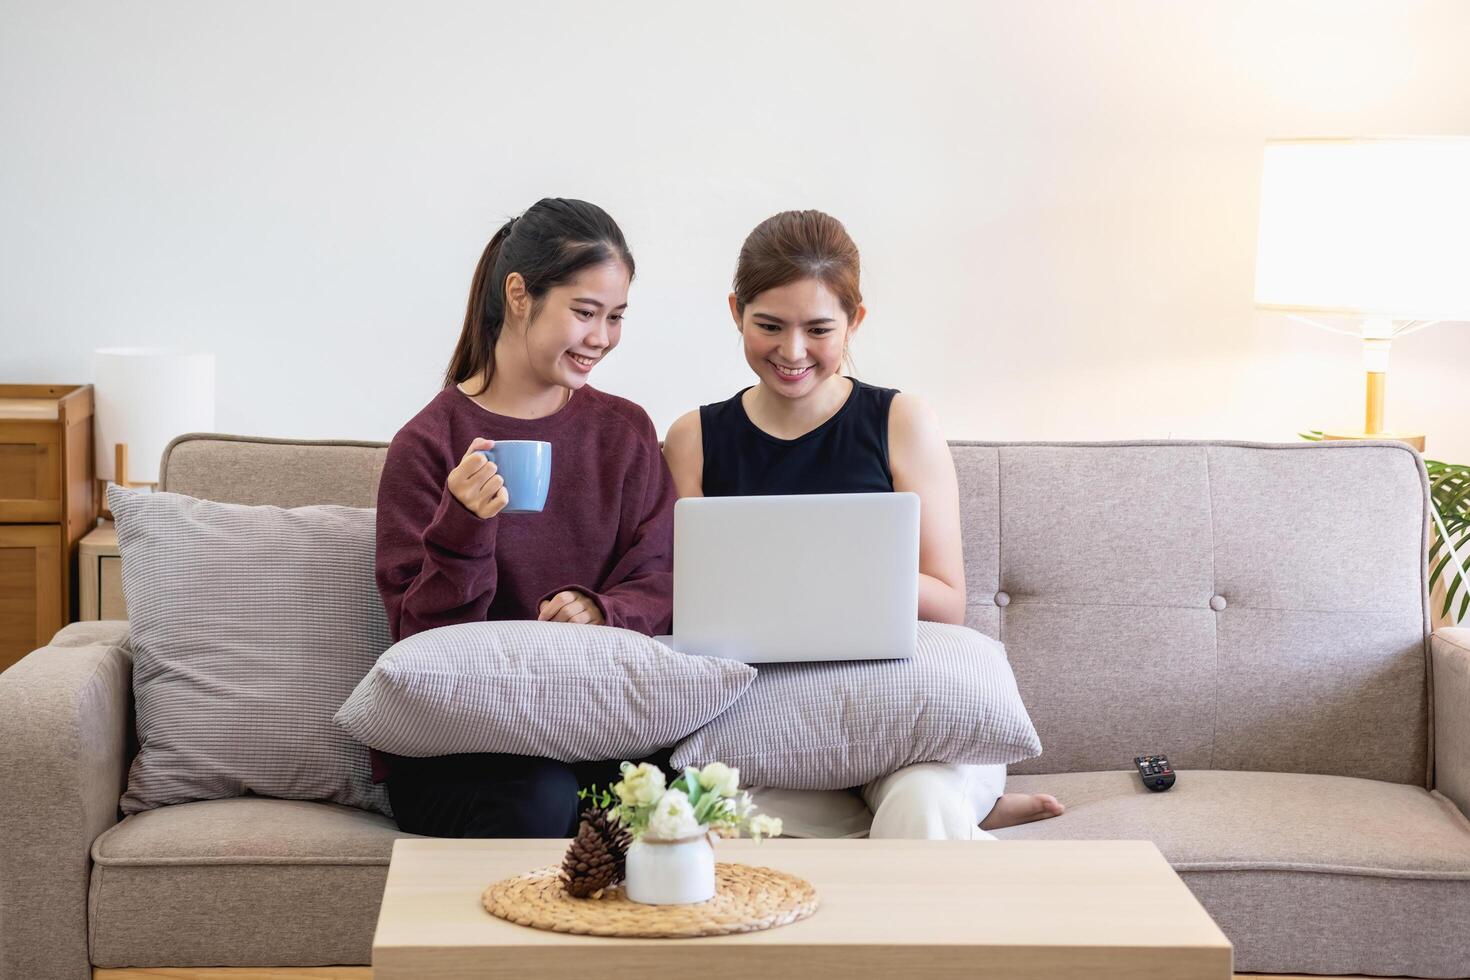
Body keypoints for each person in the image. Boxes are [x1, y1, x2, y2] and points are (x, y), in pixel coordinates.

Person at [663, 209, 1064, 839]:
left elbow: (947, 601)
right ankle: (974, 814)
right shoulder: (694, 438)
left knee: (922, 805)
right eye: (768, 325)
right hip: (773, 725)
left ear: (856, 320)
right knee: (706, 814)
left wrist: (819, 582)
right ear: (735, 311)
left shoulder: (900, 421)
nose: (792, 352)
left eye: (819, 329)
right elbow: (678, 599)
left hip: (902, 716)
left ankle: (955, 809)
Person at [374, 198, 675, 838]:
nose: (601, 337)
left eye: (616, 317)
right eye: (585, 312)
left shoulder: (624, 433)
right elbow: (419, 643)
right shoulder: (428, 446)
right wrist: (462, 527)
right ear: (519, 294)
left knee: (684, 793)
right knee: (541, 796)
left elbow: (664, 576)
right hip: (463, 750)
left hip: (594, 724)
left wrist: (602, 610)